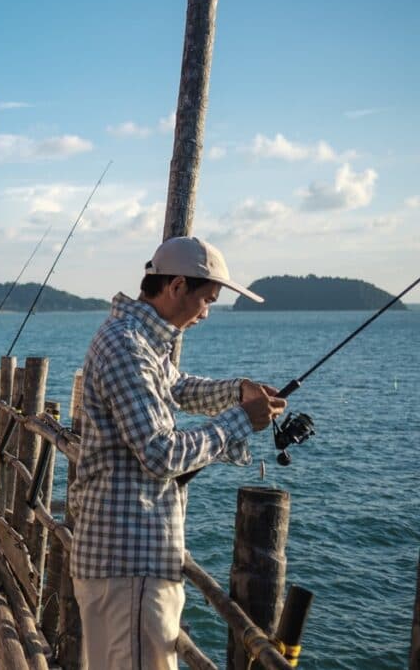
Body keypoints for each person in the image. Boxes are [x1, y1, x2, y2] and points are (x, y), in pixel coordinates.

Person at [69, 236, 287, 670]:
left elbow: (177, 386)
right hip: (129, 561)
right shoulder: (126, 346)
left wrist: (237, 391)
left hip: (123, 560)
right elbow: (161, 454)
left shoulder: (138, 341)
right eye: (206, 299)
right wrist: (241, 420)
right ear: (177, 287)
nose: (207, 313)